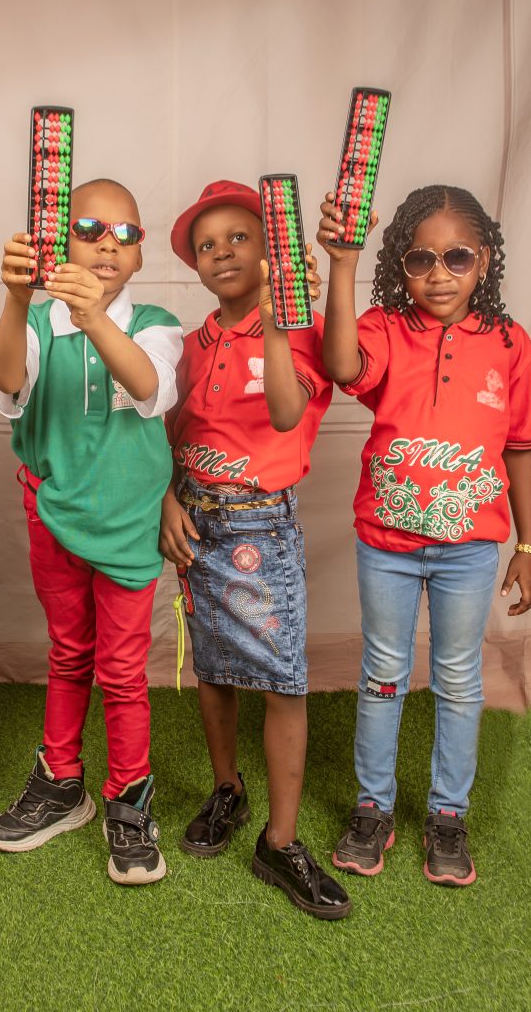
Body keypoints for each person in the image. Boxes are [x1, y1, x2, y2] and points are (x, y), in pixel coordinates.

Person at [317, 184, 531, 886]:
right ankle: (372, 807)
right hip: (385, 543)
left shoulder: (510, 343)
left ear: (485, 261)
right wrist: (343, 264)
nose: (439, 273)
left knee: (457, 679)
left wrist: (528, 546)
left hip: (469, 550)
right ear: (399, 264)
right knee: (382, 673)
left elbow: (522, 447)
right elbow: (342, 366)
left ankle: (448, 815)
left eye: (457, 257)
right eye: (420, 258)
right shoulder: (384, 326)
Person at [0, 179, 183, 885]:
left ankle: (129, 800)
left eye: (124, 233)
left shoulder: (157, 322)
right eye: (90, 228)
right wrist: (16, 300)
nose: (107, 242)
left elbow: (150, 387)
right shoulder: (38, 322)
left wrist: (96, 317)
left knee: (123, 673)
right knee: (68, 653)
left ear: (139, 251)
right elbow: (8, 390)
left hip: (127, 527)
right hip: (55, 516)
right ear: (59, 241)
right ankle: (61, 782)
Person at [161, 180, 351, 919]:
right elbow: (172, 436)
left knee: (280, 679)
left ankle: (280, 840)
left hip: (259, 530)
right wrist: (167, 498)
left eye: (239, 237)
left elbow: (281, 411)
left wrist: (276, 323)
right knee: (214, 667)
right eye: (206, 246)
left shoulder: (301, 335)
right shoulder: (190, 343)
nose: (221, 253)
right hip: (196, 524)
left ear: (270, 248)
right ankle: (228, 790)